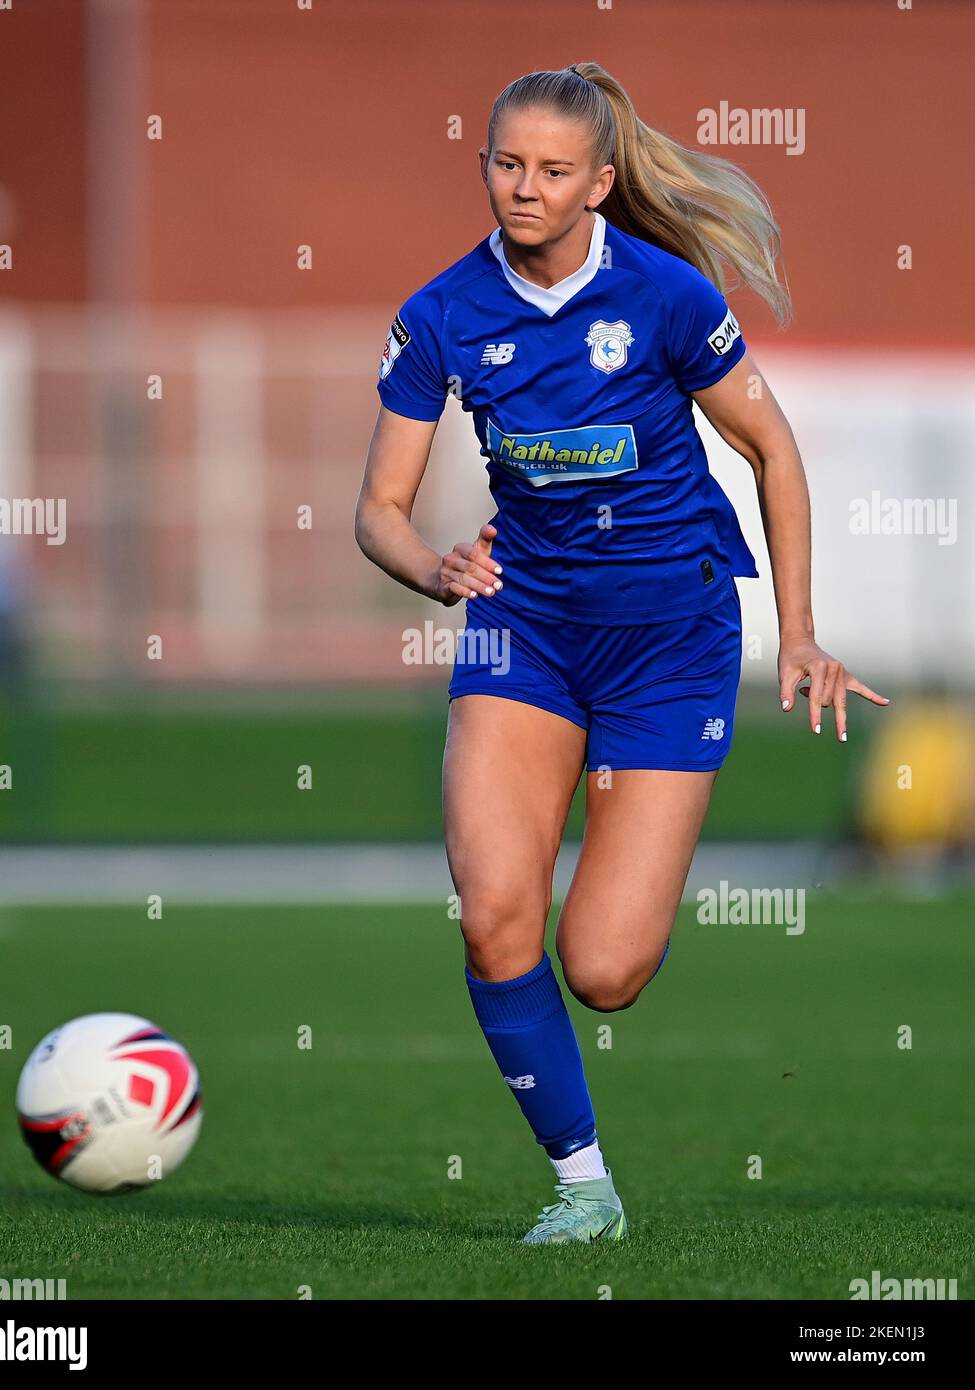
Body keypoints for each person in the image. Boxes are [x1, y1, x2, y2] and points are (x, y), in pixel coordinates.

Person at [355, 62, 888, 1244]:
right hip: (523, 633)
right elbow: (378, 509)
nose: (523, 189)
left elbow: (774, 451)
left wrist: (797, 631)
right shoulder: (441, 314)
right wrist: (432, 564)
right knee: (496, 915)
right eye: (504, 164)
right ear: (481, 163)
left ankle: (636, 855)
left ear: (600, 182)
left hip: (669, 641)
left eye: (551, 170)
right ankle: (582, 1185)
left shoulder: (665, 295)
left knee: (602, 969)